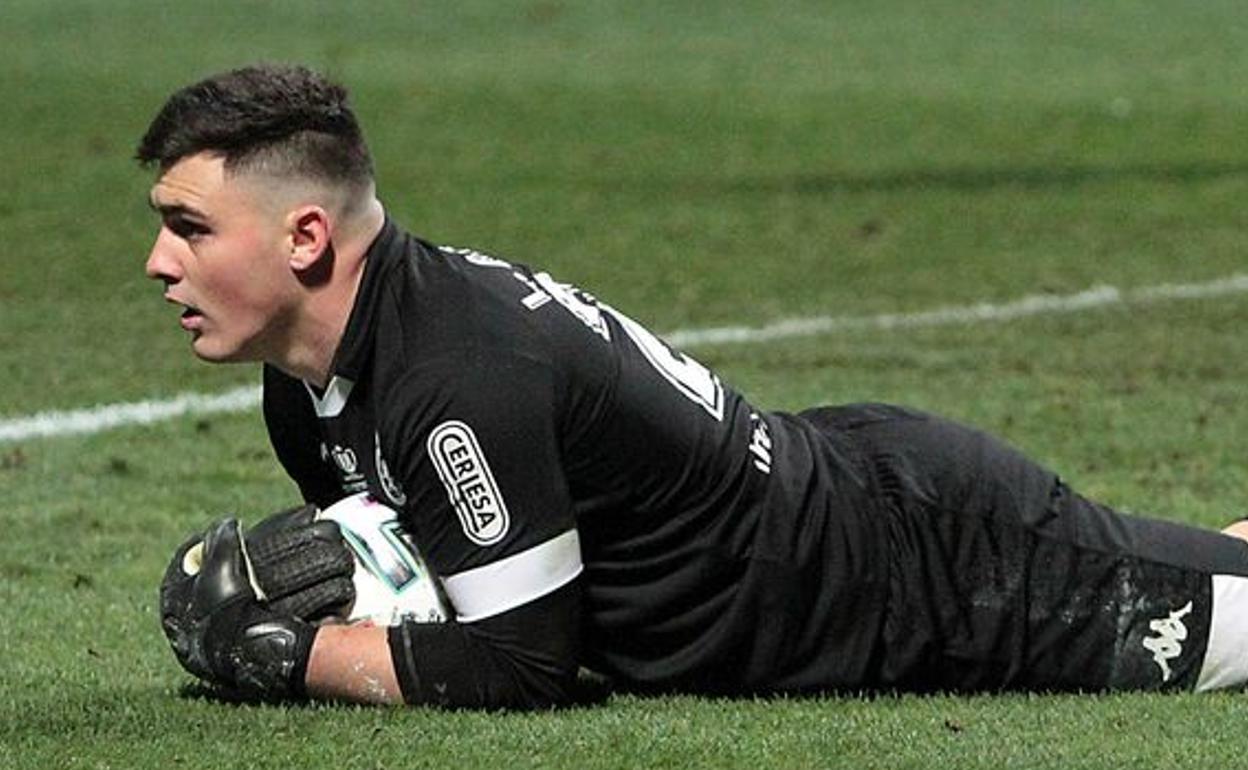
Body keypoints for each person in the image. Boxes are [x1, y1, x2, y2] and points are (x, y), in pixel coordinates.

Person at [139, 64, 1248, 709]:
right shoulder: (314, 380)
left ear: (306, 236)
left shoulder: (455, 374)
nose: (160, 263)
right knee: (1211, 562)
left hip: (939, 573)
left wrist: (288, 652)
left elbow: (522, 661)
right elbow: (449, 571)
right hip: (847, 513)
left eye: (189, 228)